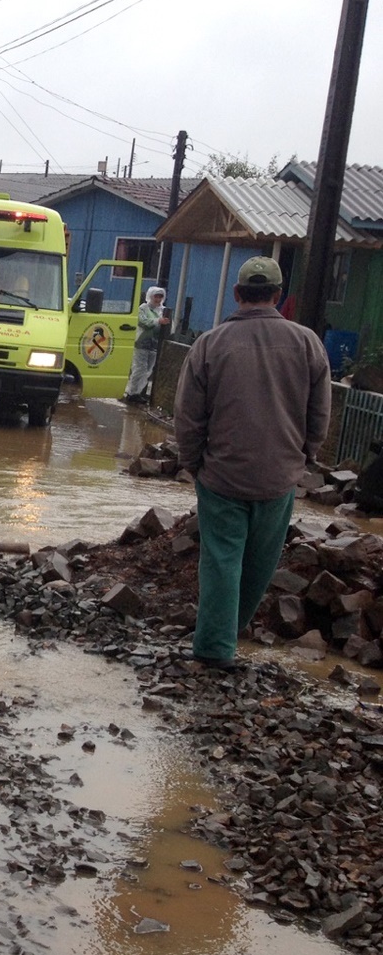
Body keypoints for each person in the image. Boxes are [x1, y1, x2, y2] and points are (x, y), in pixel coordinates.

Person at [174, 256, 330, 671]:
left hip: (222, 475)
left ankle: (214, 646)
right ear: (277, 296)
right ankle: (231, 632)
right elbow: (320, 414)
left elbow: (188, 415)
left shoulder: (210, 343)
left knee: (222, 560)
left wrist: (194, 464)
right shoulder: (307, 343)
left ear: (238, 293)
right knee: (260, 562)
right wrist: (305, 456)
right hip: (279, 476)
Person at [121, 286, 170, 404]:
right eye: (156, 296)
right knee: (139, 368)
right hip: (142, 343)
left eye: (160, 296)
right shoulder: (143, 308)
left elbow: (169, 328)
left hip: (155, 345)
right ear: (150, 296)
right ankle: (131, 392)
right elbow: (144, 323)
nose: (158, 299)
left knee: (148, 370)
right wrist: (158, 321)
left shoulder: (164, 311)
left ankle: (138, 392)